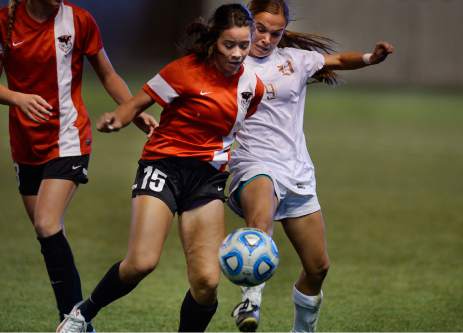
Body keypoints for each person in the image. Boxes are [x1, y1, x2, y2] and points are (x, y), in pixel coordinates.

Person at [56, 3, 264, 333]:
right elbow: (137, 103)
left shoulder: (253, 86)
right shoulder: (183, 71)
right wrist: (117, 120)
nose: (238, 53)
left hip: (207, 179)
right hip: (163, 166)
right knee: (142, 262)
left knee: (207, 283)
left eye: (244, 44)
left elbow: (234, 130)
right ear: (213, 41)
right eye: (229, 44)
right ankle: (82, 314)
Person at [227, 0, 394, 332]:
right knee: (260, 220)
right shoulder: (230, 62)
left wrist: (369, 59)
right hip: (253, 163)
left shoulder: (295, 61)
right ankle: (251, 300)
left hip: (297, 172)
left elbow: (338, 60)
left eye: (276, 33)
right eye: (260, 28)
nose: (266, 39)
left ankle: (303, 330)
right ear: (247, 23)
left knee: (318, 267)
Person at [0, 0, 157, 330]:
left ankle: (73, 320)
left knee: (46, 222)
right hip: (25, 144)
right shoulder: (5, 23)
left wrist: (132, 110)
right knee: (49, 233)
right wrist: (17, 98)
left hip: (69, 139)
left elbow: (108, 73)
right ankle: (76, 320)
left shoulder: (80, 21)